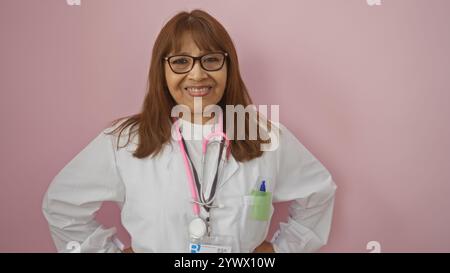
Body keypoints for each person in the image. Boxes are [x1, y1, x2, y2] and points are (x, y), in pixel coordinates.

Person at [42, 9, 337, 253]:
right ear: (163, 71)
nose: (197, 74)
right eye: (181, 61)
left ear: (228, 67)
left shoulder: (265, 136)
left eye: (211, 59)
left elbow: (319, 192)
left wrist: (279, 251)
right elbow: (62, 205)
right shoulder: (124, 141)